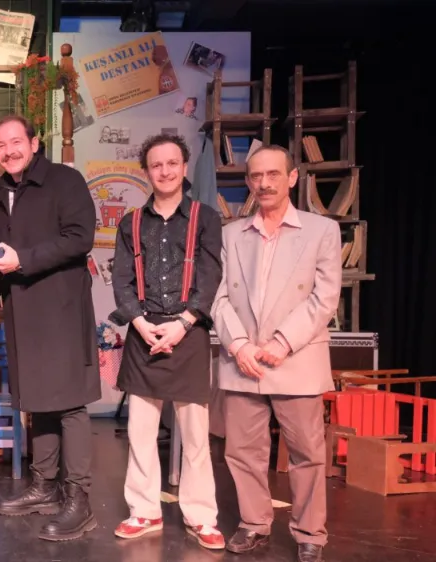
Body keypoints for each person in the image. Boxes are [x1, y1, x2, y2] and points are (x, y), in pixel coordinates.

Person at [212, 145, 340, 562]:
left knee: (306, 454)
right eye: (255, 176)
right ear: (248, 181)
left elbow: (325, 298)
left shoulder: (322, 230)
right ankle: (253, 523)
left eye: (273, 174)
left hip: (296, 358)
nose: (264, 183)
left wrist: (283, 342)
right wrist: (239, 344)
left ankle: (309, 532)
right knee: (242, 451)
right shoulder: (232, 234)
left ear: (292, 177)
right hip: (244, 360)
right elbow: (217, 297)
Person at [0, 115, 100, 542]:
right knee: (37, 399)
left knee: (69, 403)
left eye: (16, 141)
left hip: (60, 306)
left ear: (34, 143)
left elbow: (80, 238)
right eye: (0, 145)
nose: (9, 150)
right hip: (22, 307)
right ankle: (44, 486)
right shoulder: (3, 191)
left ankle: (79, 499)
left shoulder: (65, 180)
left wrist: (23, 260)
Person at [108, 133, 225, 550]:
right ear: (147, 171)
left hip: (188, 333)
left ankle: (201, 515)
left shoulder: (205, 218)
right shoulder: (130, 223)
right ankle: (144, 510)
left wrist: (183, 323)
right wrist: (141, 325)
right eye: (156, 165)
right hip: (144, 332)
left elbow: (210, 277)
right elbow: (122, 280)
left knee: (195, 435)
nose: (165, 171)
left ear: (184, 167)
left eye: (172, 163)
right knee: (140, 432)